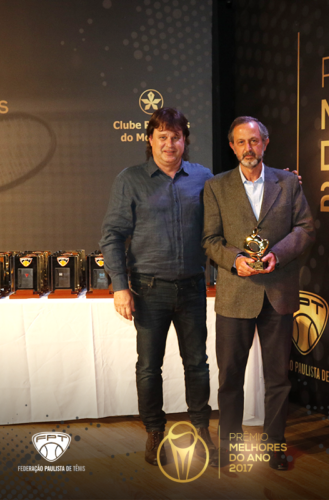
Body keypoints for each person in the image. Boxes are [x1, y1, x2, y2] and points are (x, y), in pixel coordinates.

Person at [99, 107, 216, 467]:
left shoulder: (203, 177)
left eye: (175, 137)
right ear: (149, 140)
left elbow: (230, 214)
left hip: (193, 288)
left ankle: (201, 429)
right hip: (148, 290)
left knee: (197, 364)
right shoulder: (130, 179)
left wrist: (280, 183)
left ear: (185, 141)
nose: (169, 144)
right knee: (149, 367)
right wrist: (120, 286)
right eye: (162, 137)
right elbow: (112, 235)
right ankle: (154, 432)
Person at [202, 116, 315, 470]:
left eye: (254, 141)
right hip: (235, 296)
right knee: (230, 378)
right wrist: (234, 260)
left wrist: (277, 255)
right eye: (241, 142)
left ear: (265, 143)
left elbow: (305, 228)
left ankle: (275, 445)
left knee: (278, 379)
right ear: (232, 146)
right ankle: (229, 446)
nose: (248, 148)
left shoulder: (288, 183)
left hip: (277, 295)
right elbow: (210, 240)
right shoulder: (215, 187)